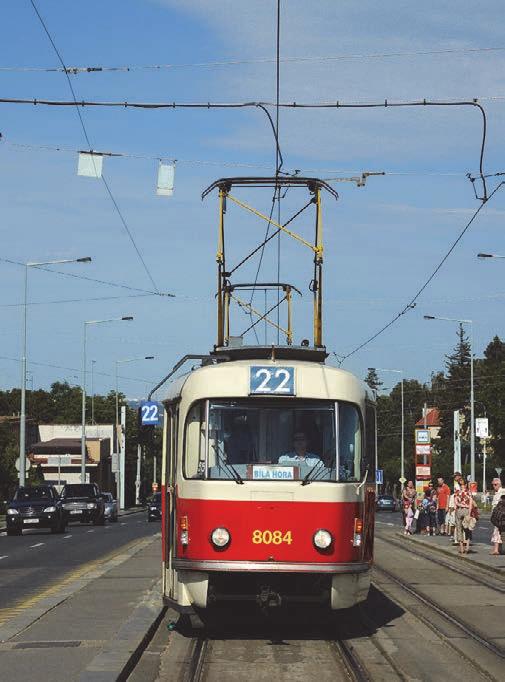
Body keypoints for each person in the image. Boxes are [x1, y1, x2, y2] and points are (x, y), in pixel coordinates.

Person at [454, 480, 474, 554]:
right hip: (466, 510)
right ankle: (467, 547)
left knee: (459, 528)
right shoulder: (469, 492)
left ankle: (461, 548)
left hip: (459, 510)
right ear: (466, 485)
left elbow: (455, 503)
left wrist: (460, 505)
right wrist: (469, 512)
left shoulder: (457, 493)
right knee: (468, 528)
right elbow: (471, 503)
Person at [490, 477, 505, 556]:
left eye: (495, 484)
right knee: (499, 532)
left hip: (501, 516)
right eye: (493, 484)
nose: (494, 486)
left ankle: (496, 550)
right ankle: (499, 549)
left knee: (497, 532)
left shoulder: (503, 492)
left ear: (499, 484)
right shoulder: (496, 493)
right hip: (497, 516)